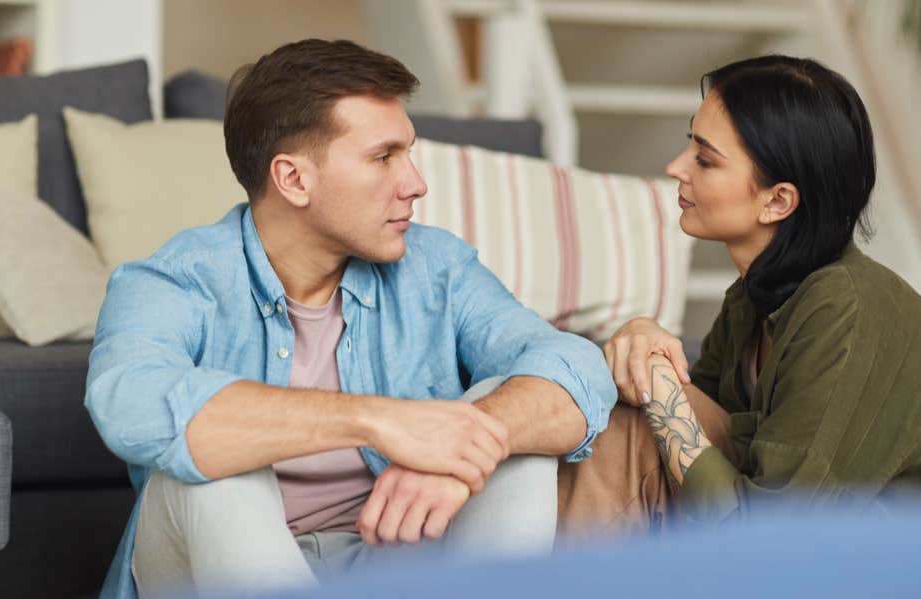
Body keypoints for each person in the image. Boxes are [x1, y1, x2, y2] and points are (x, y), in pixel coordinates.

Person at [85, 39, 616, 599]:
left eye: (407, 154)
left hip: (397, 562)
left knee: (503, 429)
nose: (415, 182)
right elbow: (127, 402)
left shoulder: (437, 267)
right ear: (293, 180)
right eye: (383, 157)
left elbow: (573, 367)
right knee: (218, 465)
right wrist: (380, 421)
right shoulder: (170, 281)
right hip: (215, 569)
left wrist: (459, 449)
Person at [602, 55, 921, 523]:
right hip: (842, 555)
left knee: (641, 417)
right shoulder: (751, 299)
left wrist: (658, 392)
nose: (675, 167)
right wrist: (644, 340)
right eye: (690, 145)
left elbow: (767, 537)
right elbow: (694, 429)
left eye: (705, 159)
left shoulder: (842, 311)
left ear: (778, 200)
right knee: (626, 421)